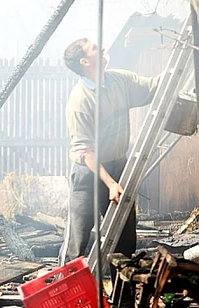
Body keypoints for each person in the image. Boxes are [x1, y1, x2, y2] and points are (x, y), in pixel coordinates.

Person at [58, 37, 159, 270]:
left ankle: (121, 301)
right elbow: (86, 152)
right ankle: (71, 297)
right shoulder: (79, 101)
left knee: (124, 240)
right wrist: (111, 184)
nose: (102, 47)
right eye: (95, 48)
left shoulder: (119, 80)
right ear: (85, 61)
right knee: (78, 241)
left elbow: (153, 87)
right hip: (89, 175)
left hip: (119, 166)